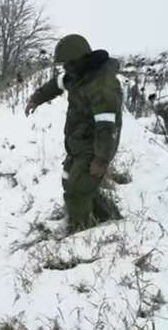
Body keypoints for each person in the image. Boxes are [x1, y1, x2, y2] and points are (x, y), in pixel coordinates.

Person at [25, 34, 123, 233]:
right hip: (79, 141)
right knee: (69, 179)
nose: (65, 69)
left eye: (67, 64)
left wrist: (101, 160)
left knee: (76, 190)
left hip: (96, 145)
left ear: (79, 60)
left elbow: (107, 128)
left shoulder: (101, 85)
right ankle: (105, 216)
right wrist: (36, 99)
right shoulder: (77, 74)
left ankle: (81, 233)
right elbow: (57, 84)